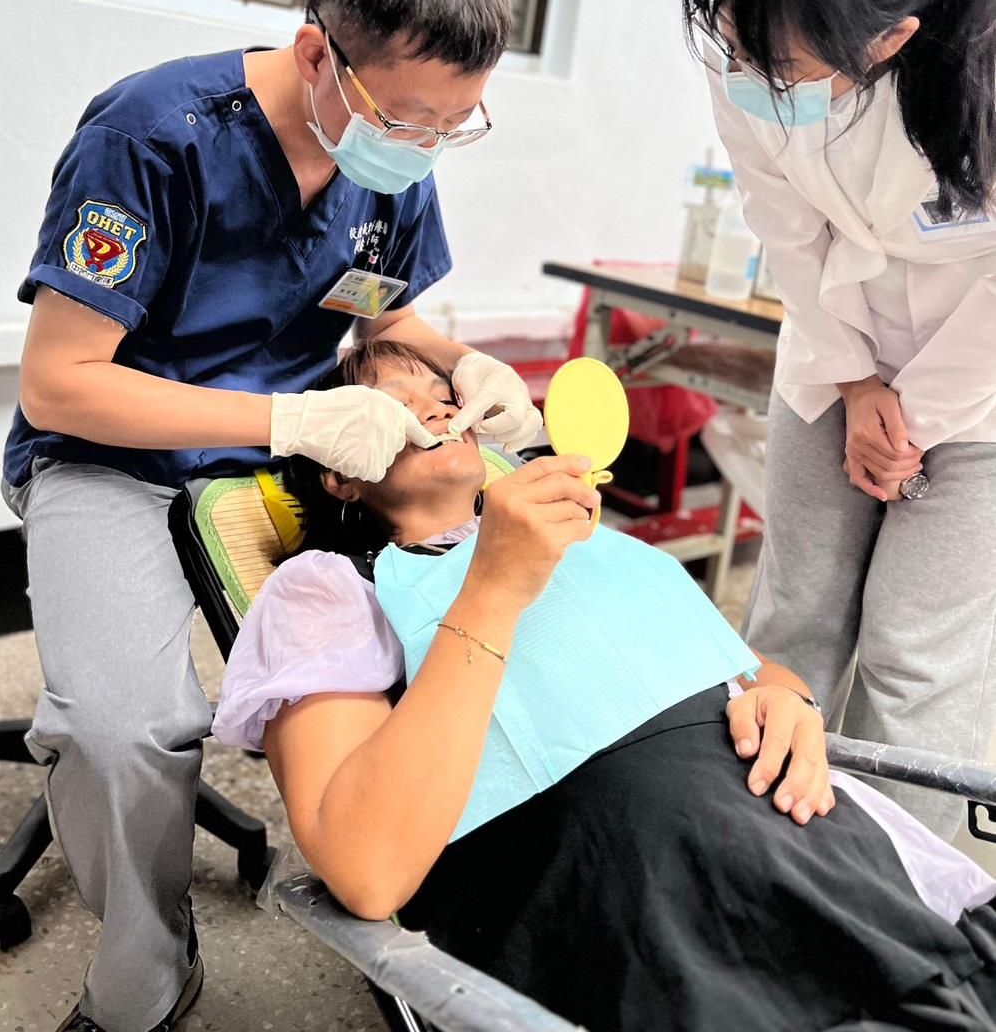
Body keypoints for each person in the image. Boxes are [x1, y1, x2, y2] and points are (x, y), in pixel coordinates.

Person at [1, 0, 543, 1032]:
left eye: (455, 123)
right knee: (125, 726)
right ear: (315, 55)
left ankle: (449, 943)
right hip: (112, 460)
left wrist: (460, 360)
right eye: (405, 117)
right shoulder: (153, 134)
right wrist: (288, 417)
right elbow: (59, 384)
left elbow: (374, 315)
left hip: (291, 459)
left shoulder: (391, 159)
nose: (423, 143)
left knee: (457, 646)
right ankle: (146, 972)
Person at [213, 338, 996, 1032]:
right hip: (647, 904)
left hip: (820, 849)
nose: (437, 414)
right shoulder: (326, 588)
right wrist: (492, 587)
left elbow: (734, 671)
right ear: (338, 476)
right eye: (396, 409)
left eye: (446, 399)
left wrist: (788, 695)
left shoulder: (578, 538)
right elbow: (365, 867)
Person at [682, 0, 996, 839]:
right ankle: (764, 870)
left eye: (788, 63)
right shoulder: (754, 33)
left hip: (978, 385)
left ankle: (899, 909)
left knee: (913, 663)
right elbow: (786, 225)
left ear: (889, 38)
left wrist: (914, 418)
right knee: (792, 622)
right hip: (833, 343)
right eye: (736, 40)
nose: (749, 75)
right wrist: (856, 382)